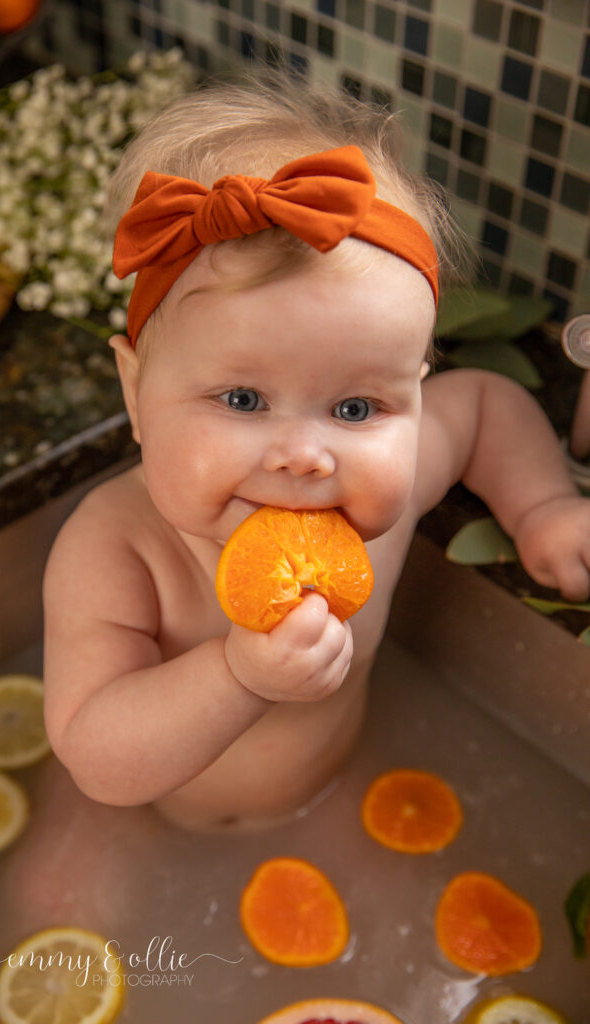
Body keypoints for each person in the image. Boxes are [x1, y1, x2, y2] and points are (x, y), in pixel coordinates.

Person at [41, 69, 590, 833]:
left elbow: (488, 407)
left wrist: (542, 508)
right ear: (135, 395)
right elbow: (95, 758)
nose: (305, 456)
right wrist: (238, 675)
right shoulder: (117, 548)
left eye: (356, 408)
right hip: (164, 822)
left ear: (415, 394)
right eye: (241, 400)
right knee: (50, 897)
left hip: (333, 803)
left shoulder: (376, 511)